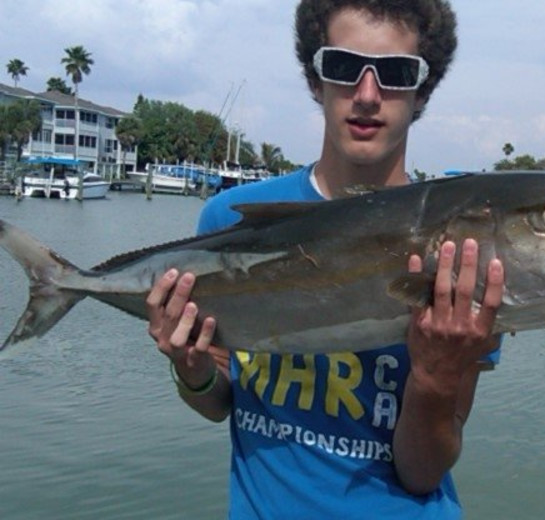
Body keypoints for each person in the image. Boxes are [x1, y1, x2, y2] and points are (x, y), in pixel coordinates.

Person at [145, 1, 505, 518]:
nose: (366, 95)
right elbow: (217, 404)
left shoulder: (463, 256)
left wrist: (435, 376)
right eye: (342, 67)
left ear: (422, 90)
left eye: (396, 73)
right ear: (315, 79)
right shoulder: (233, 220)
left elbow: (422, 471)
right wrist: (191, 367)